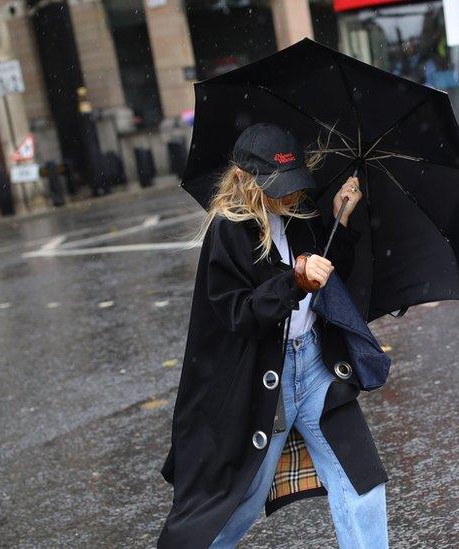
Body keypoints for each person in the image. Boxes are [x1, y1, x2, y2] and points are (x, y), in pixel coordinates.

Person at [158, 123, 389, 548]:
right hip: (265, 383)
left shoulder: (299, 215)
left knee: (362, 484)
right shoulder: (228, 230)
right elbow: (239, 314)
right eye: (277, 185)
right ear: (244, 180)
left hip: (317, 368)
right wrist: (293, 282)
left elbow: (325, 275)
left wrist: (341, 217)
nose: (288, 194)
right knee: (239, 502)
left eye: (293, 182)